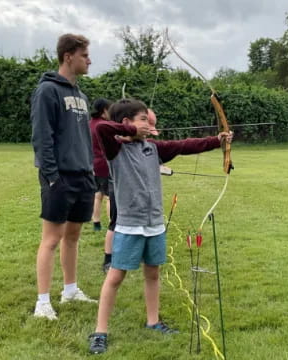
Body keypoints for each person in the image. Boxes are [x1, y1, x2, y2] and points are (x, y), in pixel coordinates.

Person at [87, 99, 232, 354]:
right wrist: (132, 133)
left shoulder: (151, 148)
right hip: (129, 226)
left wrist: (216, 140)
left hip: (154, 224)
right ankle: (100, 331)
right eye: (143, 119)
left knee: (152, 273)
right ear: (126, 123)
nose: (149, 124)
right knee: (115, 277)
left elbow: (184, 146)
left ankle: (153, 321)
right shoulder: (115, 148)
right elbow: (100, 129)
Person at [30, 33, 97, 320]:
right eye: (84, 55)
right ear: (68, 56)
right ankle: (42, 302)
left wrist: (90, 169)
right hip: (59, 177)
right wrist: (52, 176)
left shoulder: (81, 95)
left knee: (73, 237)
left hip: (83, 175)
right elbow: (42, 137)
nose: (89, 60)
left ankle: (70, 290)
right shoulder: (47, 91)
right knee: (52, 238)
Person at [101, 108, 159, 274]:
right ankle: (108, 259)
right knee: (115, 222)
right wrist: (132, 129)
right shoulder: (115, 146)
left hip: (137, 196)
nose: (148, 132)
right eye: (144, 123)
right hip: (119, 187)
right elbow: (101, 128)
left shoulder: (144, 145)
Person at [90, 99, 112, 232]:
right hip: (105, 164)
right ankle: (112, 224)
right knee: (110, 197)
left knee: (98, 194)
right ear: (104, 110)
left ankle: (96, 223)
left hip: (92, 165)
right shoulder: (105, 125)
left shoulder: (88, 124)